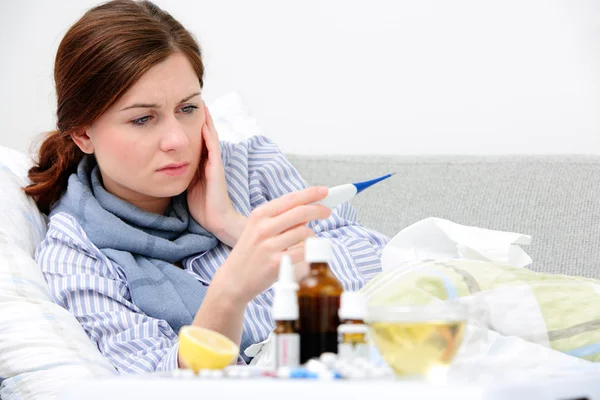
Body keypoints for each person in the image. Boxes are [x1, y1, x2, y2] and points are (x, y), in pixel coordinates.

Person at [25, 0, 390, 374]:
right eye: (142, 119)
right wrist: (229, 294)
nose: (177, 140)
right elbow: (155, 383)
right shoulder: (77, 254)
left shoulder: (248, 168)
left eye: (187, 109)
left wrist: (232, 224)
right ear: (84, 133)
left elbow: (385, 276)